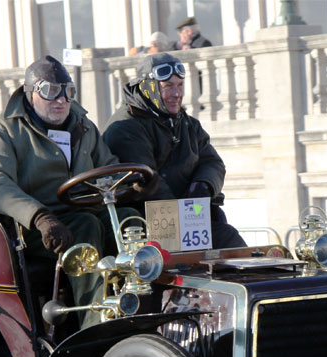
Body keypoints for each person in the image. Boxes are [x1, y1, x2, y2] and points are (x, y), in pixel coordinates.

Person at [0, 55, 156, 328]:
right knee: (85, 227)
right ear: (30, 93)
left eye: (68, 91)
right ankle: (96, 326)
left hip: (83, 211)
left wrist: (133, 184)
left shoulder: (83, 126)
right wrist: (39, 217)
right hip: (31, 228)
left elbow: (108, 167)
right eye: (50, 91)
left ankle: (145, 313)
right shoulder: (2, 133)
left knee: (131, 221)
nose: (61, 100)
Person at [103, 53, 246, 249]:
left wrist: (203, 185)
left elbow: (213, 162)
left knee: (226, 235)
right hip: (148, 223)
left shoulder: (186, 123)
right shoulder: (125, 128)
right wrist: (185, 215)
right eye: (168, 86)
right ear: (148, 87)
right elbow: (149, 180)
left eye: (180, 85)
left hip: (186, 217)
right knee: (224, 238)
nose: (177, 93)